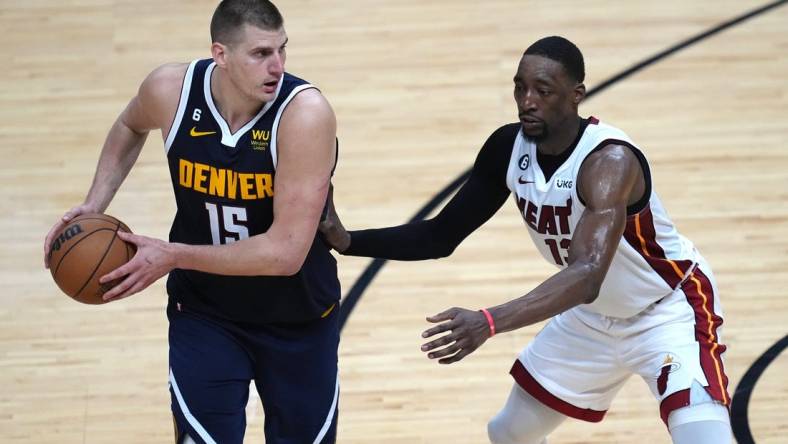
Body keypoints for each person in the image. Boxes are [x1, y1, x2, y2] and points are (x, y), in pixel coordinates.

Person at [320, 36, 731, 443]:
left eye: (543, 90)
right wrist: (349, 240)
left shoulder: (609, 161)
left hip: (666, 311)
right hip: (592, 318)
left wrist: (490, 320)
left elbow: (587, 275)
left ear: (576, 96)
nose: (527, 101)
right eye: (520, 87)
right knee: (509, 433)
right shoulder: (507, 148)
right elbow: (440, 236)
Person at [43, 1, 340, 442]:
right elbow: (129, 124)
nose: (277, 66)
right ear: (220, 54)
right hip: (206, 313)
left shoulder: (305, 115)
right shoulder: (170, 90)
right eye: (261, 54)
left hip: (296, 318)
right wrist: (94, 204)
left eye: (282, 50)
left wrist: (173, 255)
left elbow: (284, 253)